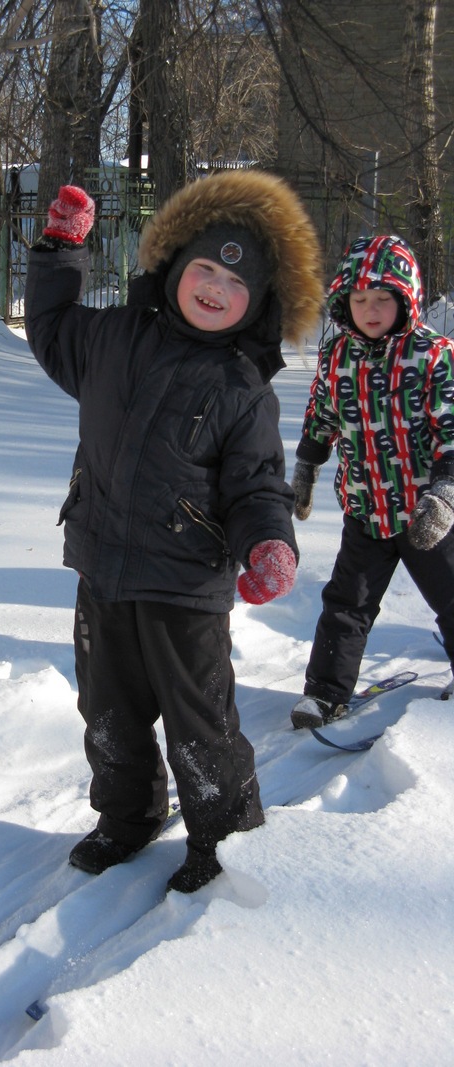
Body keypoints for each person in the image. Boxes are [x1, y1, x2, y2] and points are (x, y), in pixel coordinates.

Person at [24, 171, 324, 892]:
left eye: (235, 283)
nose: (216, 288)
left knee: (201, 727)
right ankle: (126, 817)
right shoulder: (113, 337)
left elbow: (255, 485)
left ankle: (224, 841)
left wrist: (268, 543)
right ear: (176, 264)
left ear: (258, 305)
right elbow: (51, 327)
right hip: (102, 569)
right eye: (207, 269)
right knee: (108, 714)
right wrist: (60, 250)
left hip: (186, 587)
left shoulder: (241, 387)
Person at [290, 234, 454, 730]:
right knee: (346, 604)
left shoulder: (433, 355)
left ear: (406, 298)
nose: (371, 309)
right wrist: (305, 467)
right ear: (345, 302)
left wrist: (445, 495)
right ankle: (324, 693)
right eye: (360, 299)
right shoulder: (338, 354)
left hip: (425, 511)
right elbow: (322, 413)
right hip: (365, 507)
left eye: (383, 298)